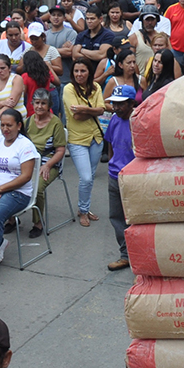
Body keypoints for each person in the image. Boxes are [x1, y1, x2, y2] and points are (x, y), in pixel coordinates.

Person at [0, 110, 37, 266]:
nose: (5, 129)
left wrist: (0, 189)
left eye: (9, 125)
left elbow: (26, 176)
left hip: (18, 192)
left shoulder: (25, 145)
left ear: (19, 126)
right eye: (3, 125)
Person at [63, 60, 105, 228]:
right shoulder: (69, 89)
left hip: (96, 138)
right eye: (76, 71)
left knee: (90, 177)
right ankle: (83, 209)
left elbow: (102, 110)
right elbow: (76, 116)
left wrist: (84, 109)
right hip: (77, 140)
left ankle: (84, 209)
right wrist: (93, 110)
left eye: (83, 71)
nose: (79, 74)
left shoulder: (96, 87)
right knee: (86, 177)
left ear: (89, 72)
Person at [24, 90, 64, 241]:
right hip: (29, 162)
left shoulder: (56, 123)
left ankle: (38, 223)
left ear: (49, 105)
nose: (39, 106)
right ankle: (10, 218)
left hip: (49, 162)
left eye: (43, 103)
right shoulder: (27, 121)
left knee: (37, 187)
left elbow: (60, 150)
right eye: (37, 103)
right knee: (8, 179)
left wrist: (47, 165)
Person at [104, 86, 136, 271]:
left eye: (120, 104)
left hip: (133, 179)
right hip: (114, 176)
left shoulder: (138, 121)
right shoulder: (114, 119)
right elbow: (110, 144)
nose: (116, 108)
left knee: (136, 220)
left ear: (131, 103)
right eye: (114, 103)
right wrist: (111, 164)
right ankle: (125, 256)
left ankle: (141, 260)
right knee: (117, 218)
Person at [0, 54, 26, 125]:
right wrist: (3, 103)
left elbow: (12, 103)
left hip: (16, 120)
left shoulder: (16, 79)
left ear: (9, 68)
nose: (0, 71)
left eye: (3, 68)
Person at [44, 7, 77, 86]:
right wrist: (62, 50)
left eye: (59, 15)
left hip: (67, 78)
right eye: (53, 15)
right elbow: (40, 52)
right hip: (48, 79)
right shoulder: (44, 35)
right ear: (49, 17)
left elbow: (69, 52)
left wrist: (47, 50)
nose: (56, 17)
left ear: (64, 18)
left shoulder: (71, 33)